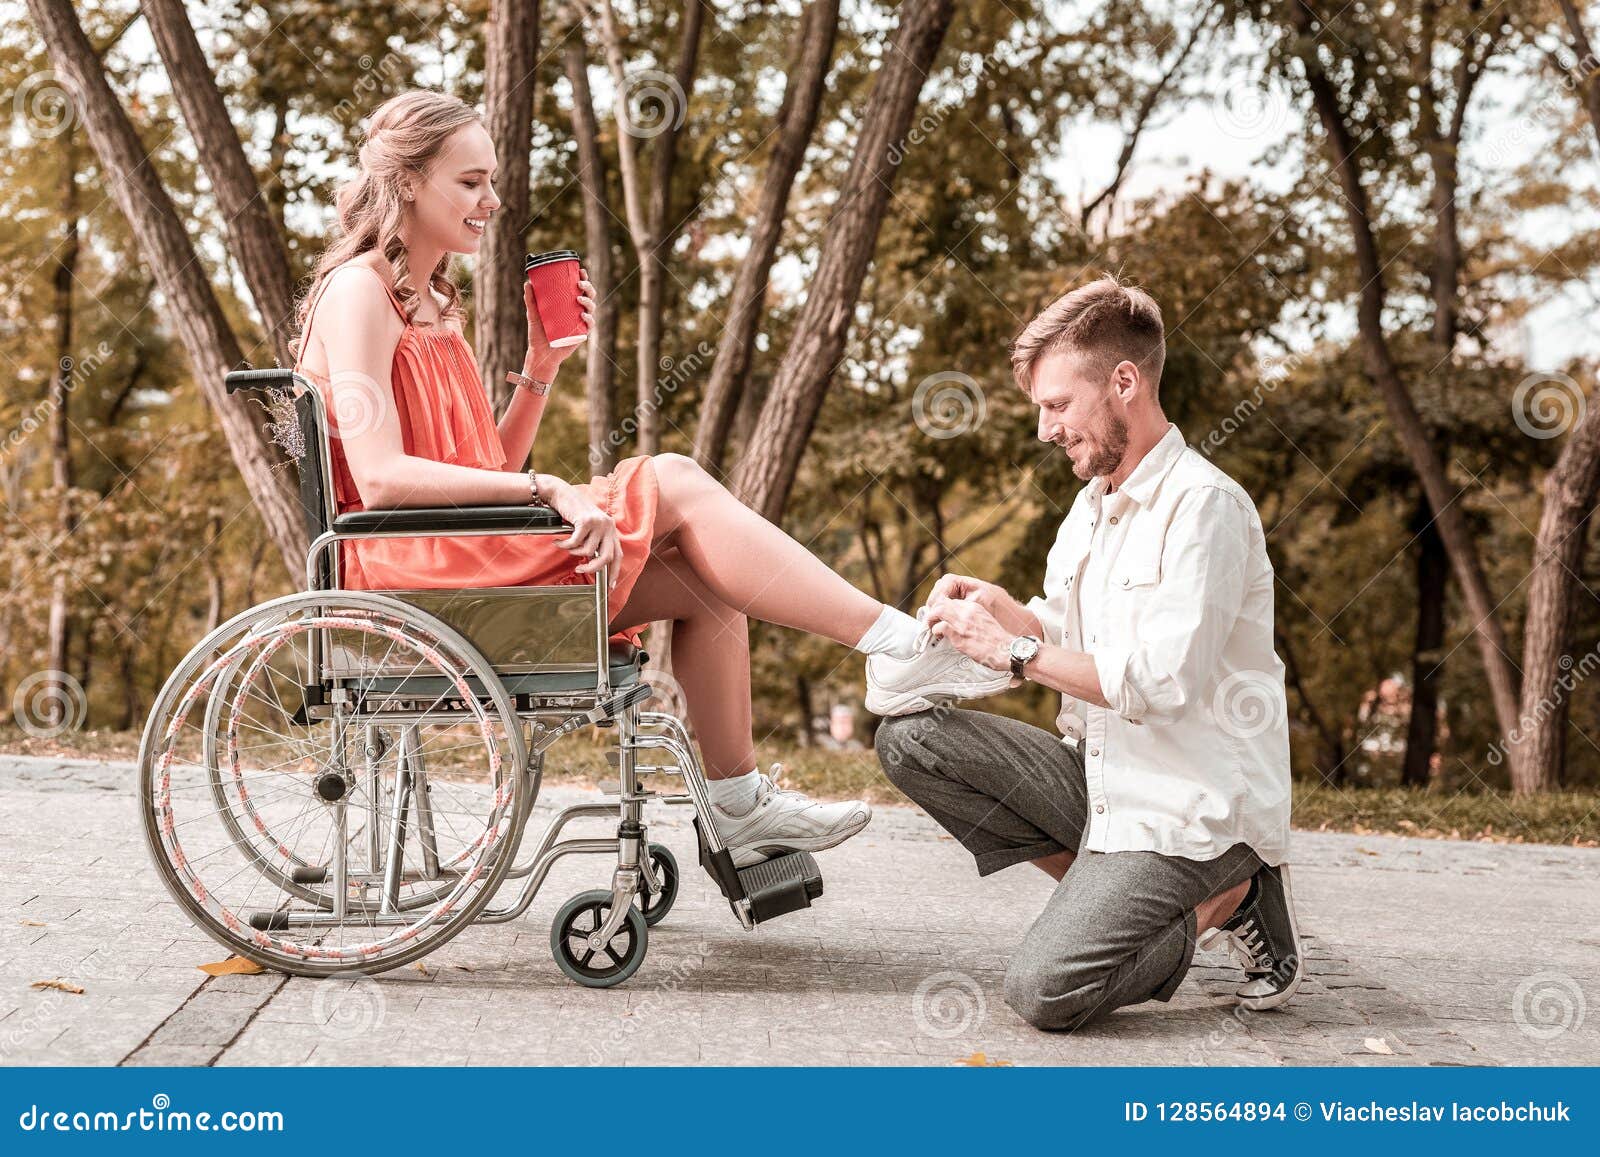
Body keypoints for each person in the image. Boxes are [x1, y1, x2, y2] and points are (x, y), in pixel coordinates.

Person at [293, 90, 928, 868]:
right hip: (408, 576)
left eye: (491, 180)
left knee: (707, 577)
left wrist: (539, 368)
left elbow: (480, 473)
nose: (492, 199)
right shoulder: (359, 292)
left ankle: (738, 806)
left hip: (455, 554)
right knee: (676, 478)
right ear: (410, 182)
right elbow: (385, 480)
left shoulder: (429, 301)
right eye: (471, 182)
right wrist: (551, 491)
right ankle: (892, 641)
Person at [867, 276, 1301, 1030]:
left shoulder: (1206, 508)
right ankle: (1107, 902)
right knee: (911, 740)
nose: (1044, 429)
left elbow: (1161, 680)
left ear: (1124, 382)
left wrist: (1009, 649)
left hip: (1192, 807)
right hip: (1103, 778)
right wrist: (1003, 611)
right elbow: (1061, 635)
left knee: (1045, 991)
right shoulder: (1091, 505)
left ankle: (1234, 892)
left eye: (1058, 405)